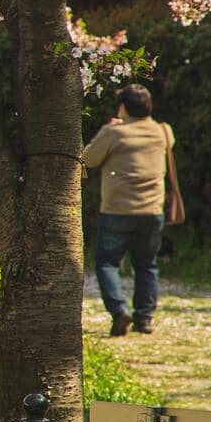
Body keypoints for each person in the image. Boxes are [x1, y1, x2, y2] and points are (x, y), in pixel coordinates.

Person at [82, 84, 178, 336]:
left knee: (107, 263)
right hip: (151, 210)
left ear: (124, 107)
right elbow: (168, 141)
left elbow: (89, 158)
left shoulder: (114, 133)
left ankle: (119, 310)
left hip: (117, 210)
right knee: (146, 265)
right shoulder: (163, 131)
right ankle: (144, 319)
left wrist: (112, 127)